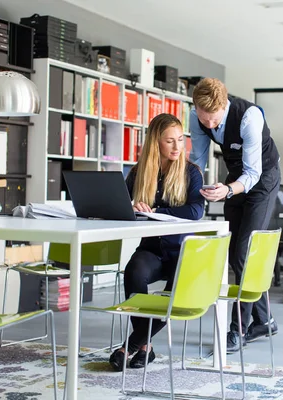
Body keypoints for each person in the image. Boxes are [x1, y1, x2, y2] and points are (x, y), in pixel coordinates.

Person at [189, 78, 281, 353]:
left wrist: (228, 190)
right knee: (235, 254)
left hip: (262, 178)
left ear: (223, 106)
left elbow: (252, 174)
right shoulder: (198, 117)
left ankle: (237, 329)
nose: (210, 127)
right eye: (205, 122)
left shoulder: (248, 117)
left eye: (214, 121)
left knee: (245, 252)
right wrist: (191, 188)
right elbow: (199, 160)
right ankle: (265, 321)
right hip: (234, 178)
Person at [109, 113, 205, 371]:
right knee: (134, 272)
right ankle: (145, 348)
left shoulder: (191, 172)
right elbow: (122, 205)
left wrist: (156, 212)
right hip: (151, 249)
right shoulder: (140, 172)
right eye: (169, 141)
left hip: (183, 253)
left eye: (180, 140)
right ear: (156, 142)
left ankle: (129, 346)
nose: (177, 147)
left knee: (172, 298)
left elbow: (196, 211)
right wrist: (134, 207)